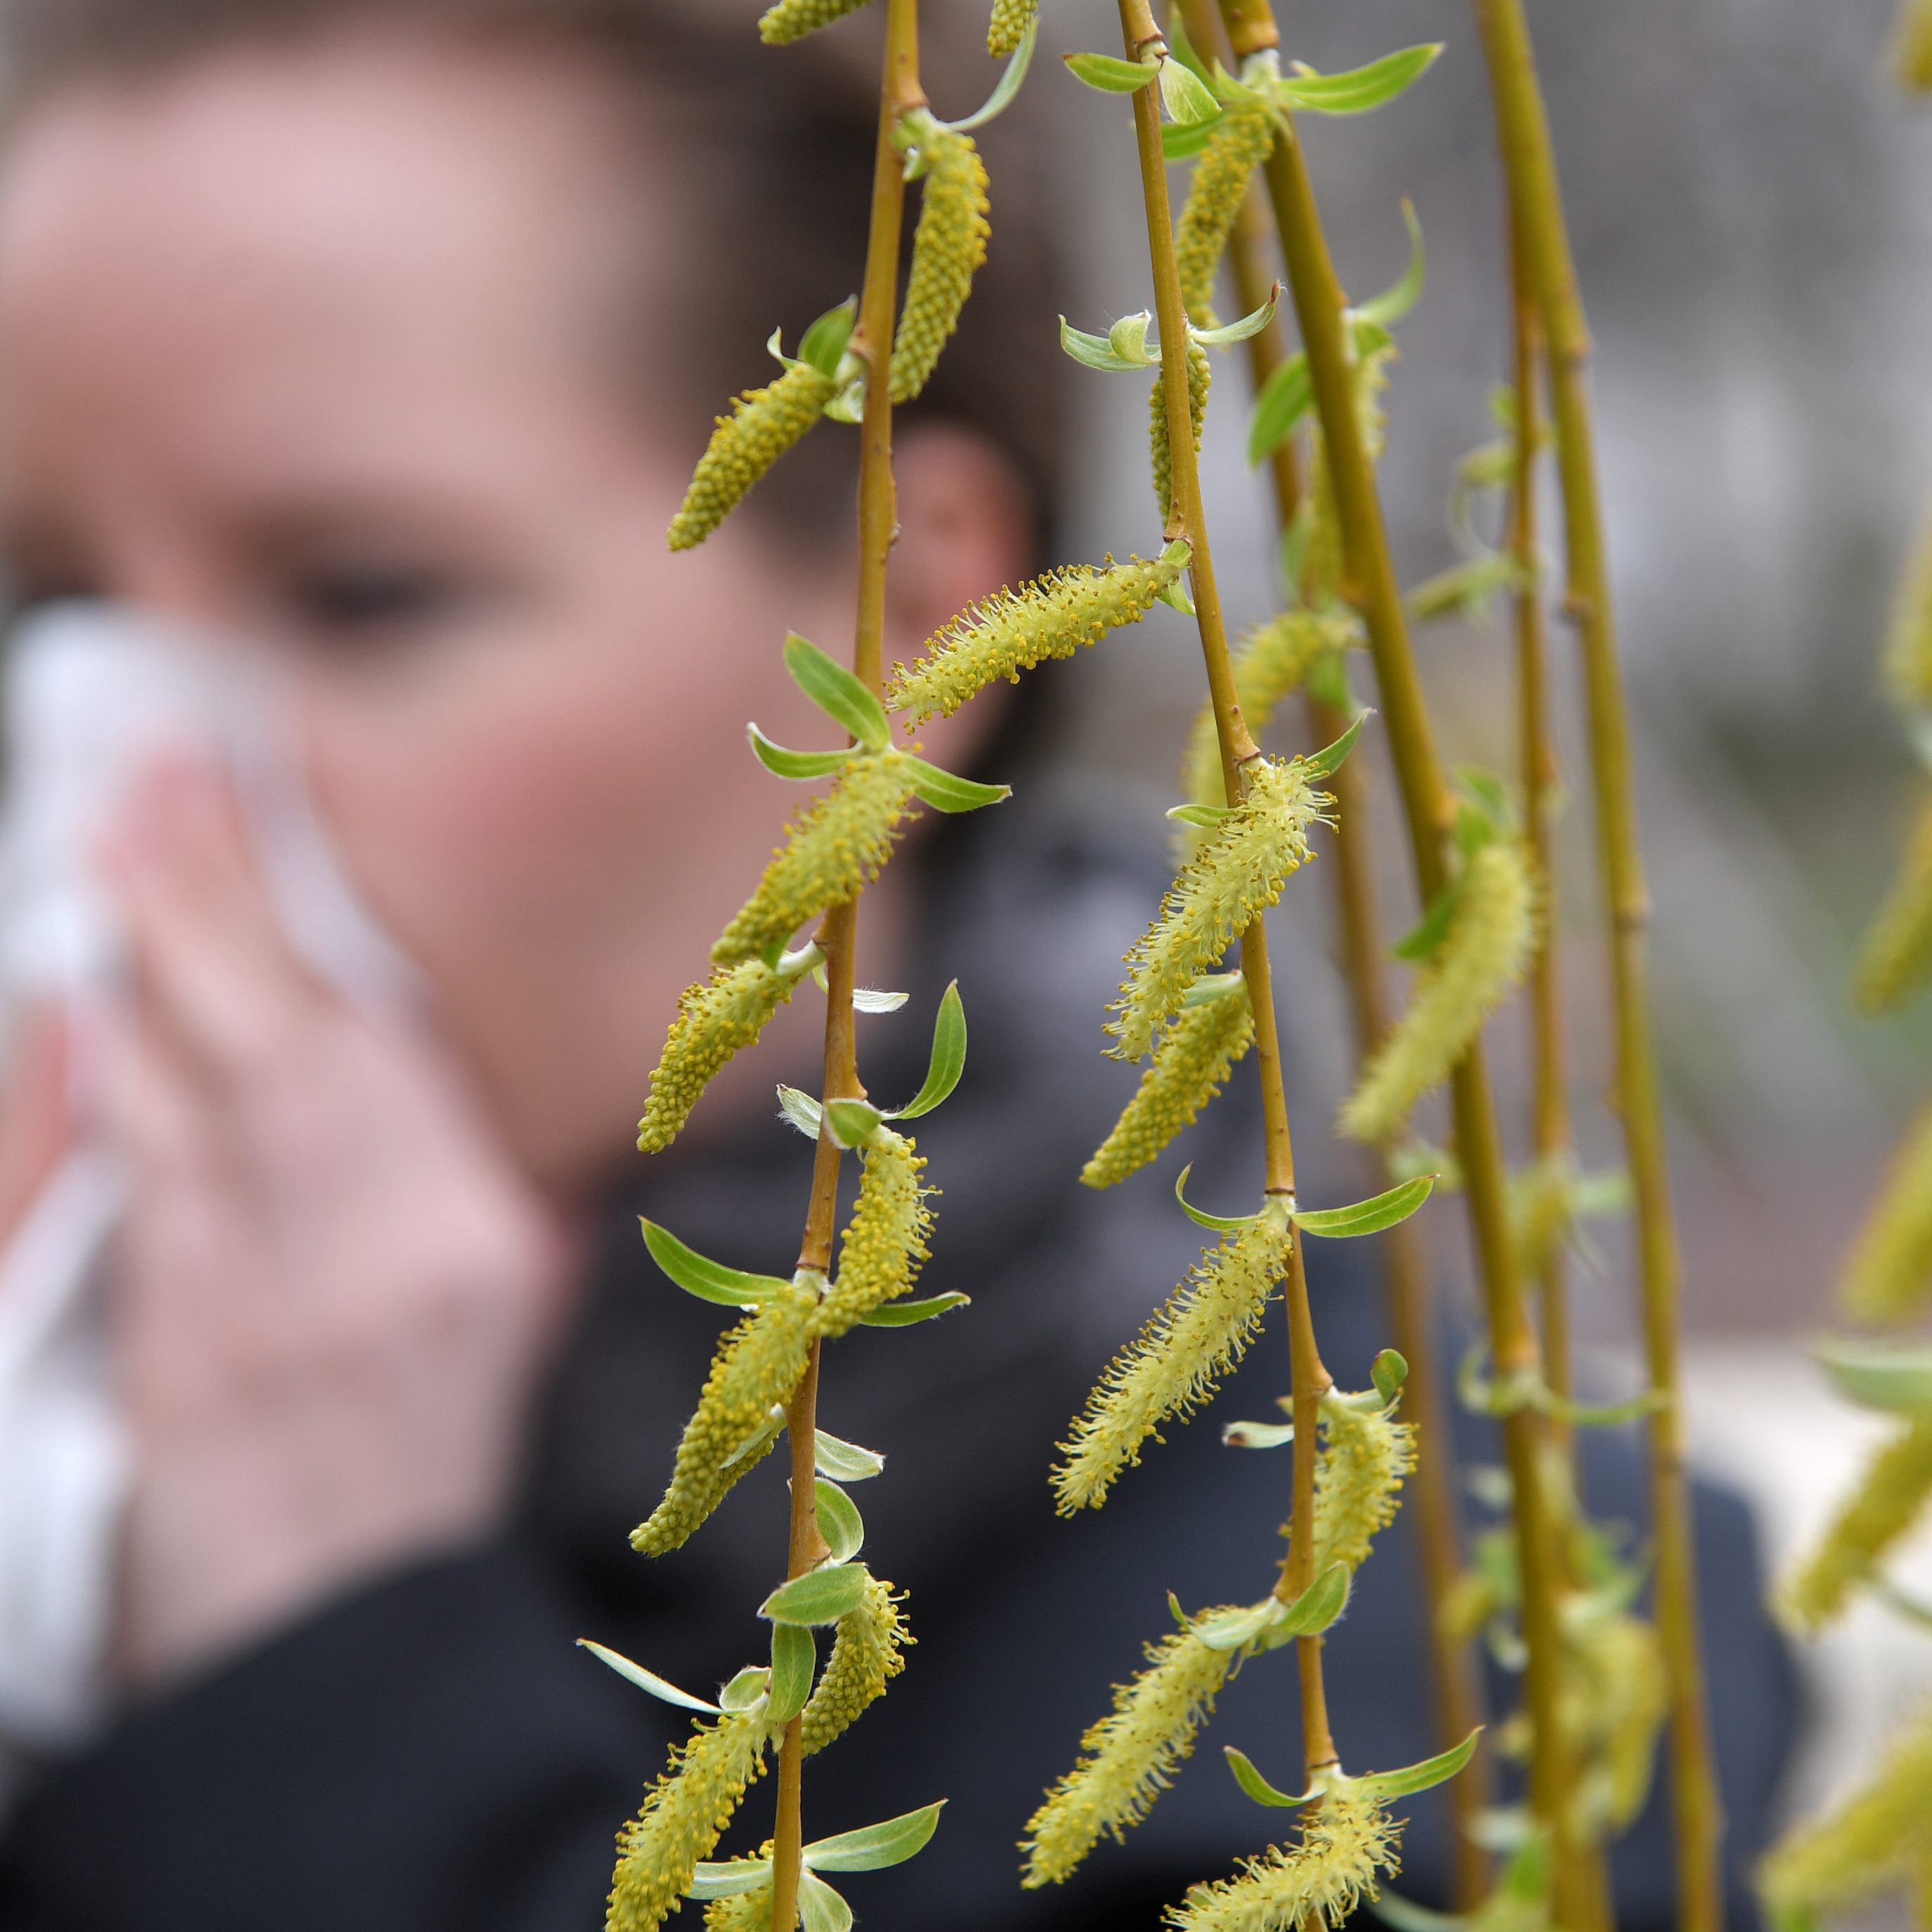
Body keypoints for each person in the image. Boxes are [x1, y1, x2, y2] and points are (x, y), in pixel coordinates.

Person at [0, 0, 1796, 1926]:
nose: (118, 770)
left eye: (363, 595)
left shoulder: (1437, 1633)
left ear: (914, 614)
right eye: (40, 607)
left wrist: (322, 1661)